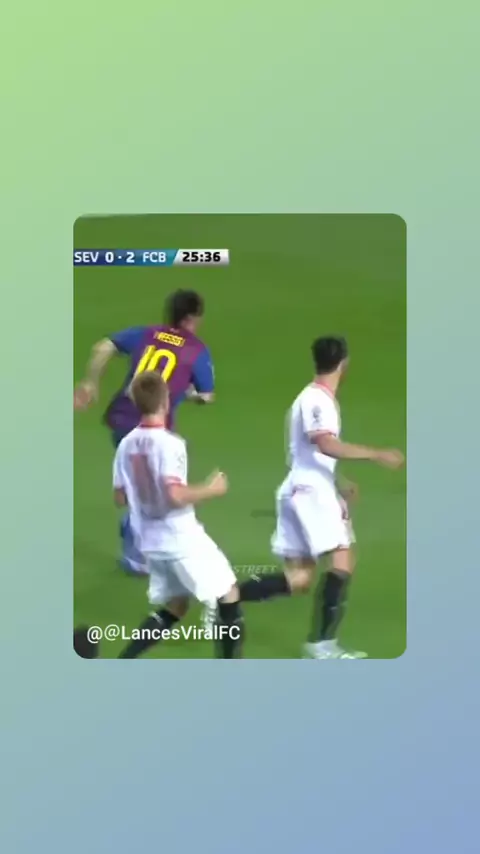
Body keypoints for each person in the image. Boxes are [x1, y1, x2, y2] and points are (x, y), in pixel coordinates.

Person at [237, 335, 404, 659]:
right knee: (342, 559)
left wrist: (337, 480)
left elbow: (308, 453)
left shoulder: (312, 397)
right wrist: (376, 454)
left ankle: (226, 597)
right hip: (310, 492)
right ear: (344, 362)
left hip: (303, 487)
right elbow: (324, 443)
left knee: (299, 579)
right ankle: (322, 644)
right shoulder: (317, 400)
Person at [77, 370, 243, 660]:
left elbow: (120, 497)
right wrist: (211, 489)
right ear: (166, 401)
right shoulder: (171, 444)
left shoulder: (126, 444)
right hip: (180, 538)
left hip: (150, 541)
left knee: (176, 606)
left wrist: (145, 494)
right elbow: (175, 494)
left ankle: (122, 662)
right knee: (229, 594)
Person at [74, 289, 215, 575]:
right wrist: (188, 393)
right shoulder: (196, 349)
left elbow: (102, 348)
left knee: (145, 487)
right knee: (159, 491)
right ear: (191, 318)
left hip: (122, 420)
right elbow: (207, 395)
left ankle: (140, 543)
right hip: (155, 432)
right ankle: (140, 549)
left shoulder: (146, 333)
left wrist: (91, 382)